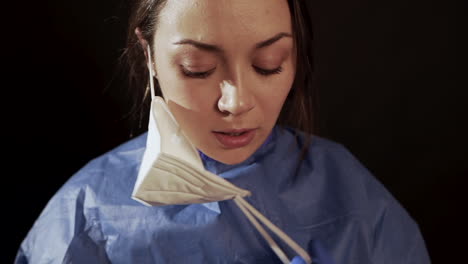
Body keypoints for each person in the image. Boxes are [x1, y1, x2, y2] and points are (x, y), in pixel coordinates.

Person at [15, 0, 430, 263]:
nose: (235, 102)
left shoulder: (349, 192)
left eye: (269, 64)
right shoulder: (86, 213)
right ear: (150, 55)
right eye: (198, 68)